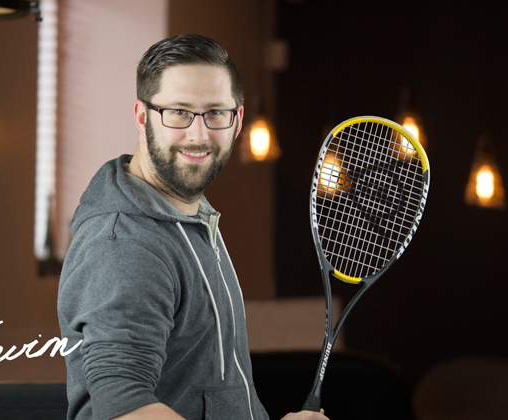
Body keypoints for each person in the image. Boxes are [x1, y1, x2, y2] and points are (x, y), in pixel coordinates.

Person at [57, 34, 329, 420]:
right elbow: (124, 406)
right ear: (141, 116)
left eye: (216, 113)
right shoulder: (126, 244)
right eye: (179, 112)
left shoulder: (189, 216)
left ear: (237, 121)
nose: (199, 135)